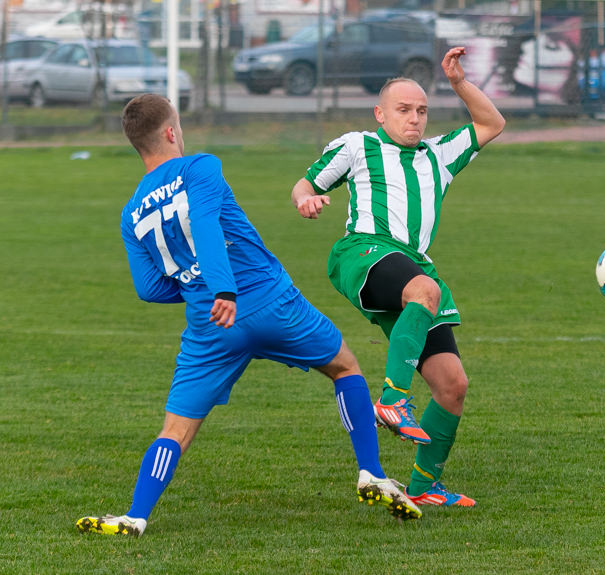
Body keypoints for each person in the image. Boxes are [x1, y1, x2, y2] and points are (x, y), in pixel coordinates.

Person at [76, 94, 421, 537]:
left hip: (210, 326)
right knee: (344, 367)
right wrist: (223, 287)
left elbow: (148, 289)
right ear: (170, 132)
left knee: (176, 430)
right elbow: (203, 222)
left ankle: (136, 516)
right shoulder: (200, 166)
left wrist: (199, 289)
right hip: (268, 300)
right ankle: (371, 473)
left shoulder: (131, 212)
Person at [290, 47, 505, 507]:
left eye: (422, 111)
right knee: (424, 290)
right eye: (404, 110)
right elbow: (305, 184)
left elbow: (492, 124)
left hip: (414, 267)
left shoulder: (440, 154)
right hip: (361, 253)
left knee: (453, 385)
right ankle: (390, 399)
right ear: (380, 114)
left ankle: (425, 487)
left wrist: (459, 84)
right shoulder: (357, 145)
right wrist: (305, 199)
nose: (415, 119)